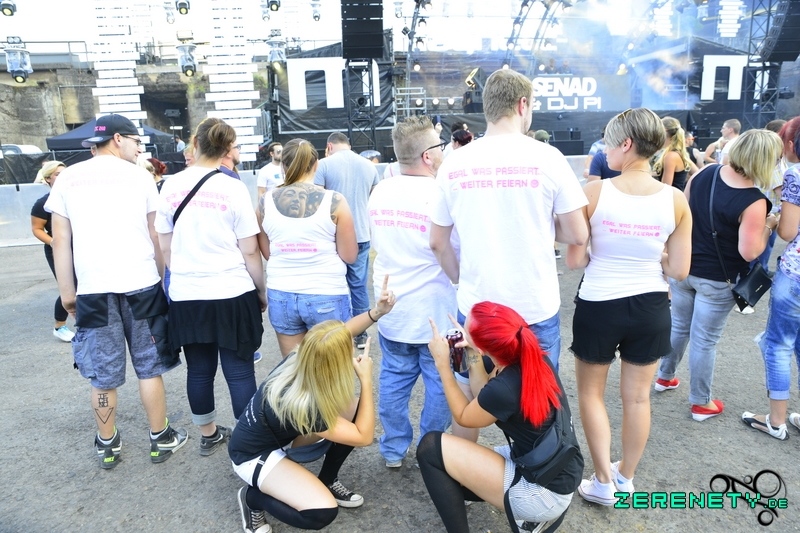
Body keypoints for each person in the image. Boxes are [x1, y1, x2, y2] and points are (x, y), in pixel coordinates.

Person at [45, 114, 186, 469]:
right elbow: (155, 234)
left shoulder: (68, 177)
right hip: (141, 284)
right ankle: (160, 438)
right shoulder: (139, 176)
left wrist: (67, 292)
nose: (139, 148)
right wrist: (160, 278)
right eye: (136, 141)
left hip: (93, 289)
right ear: (118, 138)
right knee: (148, 368)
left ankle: (107, 444)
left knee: (102, 374)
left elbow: (60, 238)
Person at [566, 108, 692, 505]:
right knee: (637, 398)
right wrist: (652, 256)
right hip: (651, 306)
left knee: (591, 394)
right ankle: (626, 477)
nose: (604, 149)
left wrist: (601, 251)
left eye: (608, 142)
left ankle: (603, 481)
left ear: (626, 143)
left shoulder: (593, 193)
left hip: (599, 304)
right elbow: (680, 269)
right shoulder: (675, 199)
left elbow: (574, 260)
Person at [430, 68, 588, 374]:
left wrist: (461, 279)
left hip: (477, 308)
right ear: (522, 104)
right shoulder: (549, 157)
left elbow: (438, 242)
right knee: (539, 397)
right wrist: (540, 223)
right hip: (533, 308)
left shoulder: (453, 163)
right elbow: (578, 233)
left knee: (474, 392)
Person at [228, 280, 396, 533]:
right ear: (336, 364)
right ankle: (252, 498)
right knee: (321, 513)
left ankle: (327, 479)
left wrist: (377, 312)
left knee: (353, 408)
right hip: (252, 456)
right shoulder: (307, 404)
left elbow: (342, 332)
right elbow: (364, 437)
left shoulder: (304, 356)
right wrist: (366, 379)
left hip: (277, 435)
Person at [418, 302, 583, 533]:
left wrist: (442, 365)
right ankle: (532, 517)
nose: (463, 329)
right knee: (451, 472)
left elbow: (464, 416)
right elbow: (484, 394)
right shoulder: (530, 357)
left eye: (467, 329)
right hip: (555, 470)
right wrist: (473, 352)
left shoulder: (505, 387)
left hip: (543, 493)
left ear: (485, 348)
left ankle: (532, 517)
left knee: (431, 449)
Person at [156, 117, 266, 456]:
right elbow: (250, 249)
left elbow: (164, 245)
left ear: (195, 143)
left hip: (188, 294)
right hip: (231, 290)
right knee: (239, 370)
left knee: (199, 370)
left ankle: (208, 434)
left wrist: (182, 276)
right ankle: (247, 440)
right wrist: (260, 290)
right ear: (227, 149)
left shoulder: (170, 185)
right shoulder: (233, 187)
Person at [655, 129, 782, 421]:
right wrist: (770, 224)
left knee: (679, 326)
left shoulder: (705, 174)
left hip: (684, 268)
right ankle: (701, 403)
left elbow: (681, 217)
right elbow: (750, 251)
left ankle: (664, 377)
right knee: (704, 340)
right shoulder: (754, 201)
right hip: (718, 279)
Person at [368, 115, 455, 469]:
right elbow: (450, 248)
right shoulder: (440, 194)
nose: (445, 150)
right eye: (440, 145)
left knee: (393, 378)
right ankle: (429, 451)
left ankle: (393, 448)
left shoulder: (381, 191)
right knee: (441, 382)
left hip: (393, 308)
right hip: (434, 311)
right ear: (428, 155)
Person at [260, 138, 358, 358]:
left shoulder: (264, 202)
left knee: (293, 369)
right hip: (326, 292)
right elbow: (350, 255)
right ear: (316, 165)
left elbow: (268, 252)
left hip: (282, 293)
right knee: (334, 370)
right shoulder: (335, 201)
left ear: (283, 165)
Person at [742, 117, 800, 440]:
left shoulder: (795, 175)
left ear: (790, 144)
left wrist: (776, 220)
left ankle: (776, 421)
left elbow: (788, 232)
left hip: (796, 274)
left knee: (778, 344)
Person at [314, 132, 380, 349]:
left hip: (332, 236)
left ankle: (333, 332)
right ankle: (360, 334)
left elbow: (316, 200)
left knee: (333, 284)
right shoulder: (369, 166)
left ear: (329, 146)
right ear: (348, 145)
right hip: (361, 234)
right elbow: (374, 199)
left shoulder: (323, 165)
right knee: (359, 285)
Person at [30, 160, 74, 342]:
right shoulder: (43, 203)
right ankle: (59, 326)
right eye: (57, 174)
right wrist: (53, 242)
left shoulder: (75, 198)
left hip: (79, 247)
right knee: (69, 287)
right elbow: (37, 229)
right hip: (58, 250)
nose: (62, 177)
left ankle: (87, 324)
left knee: (85, 284)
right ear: (48, 179)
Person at [752, 119, 788, 276]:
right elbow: (783, 194)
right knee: (763, 250)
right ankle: (758, 276)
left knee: (760, 249)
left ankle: (757, 273)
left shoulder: (761, 158)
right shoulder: (775, 163)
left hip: (761, 212)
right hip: (769, 216)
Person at [652, 116, 694, 191]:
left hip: (672, 197)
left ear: (664, 131)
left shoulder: (671, 156)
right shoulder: (677, 153)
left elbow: (665, 188)